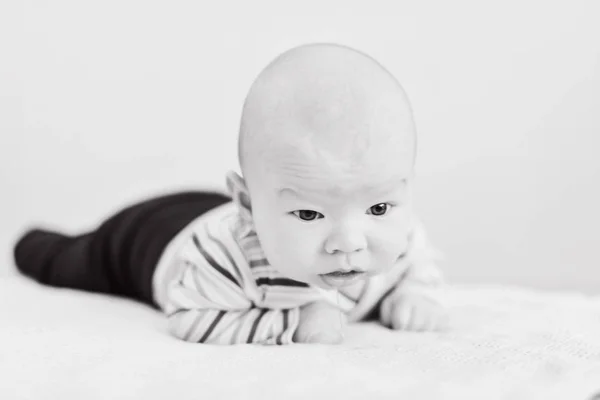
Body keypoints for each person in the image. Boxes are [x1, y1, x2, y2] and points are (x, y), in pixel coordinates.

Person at [14, 43, 448, 345]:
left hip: (221, 209)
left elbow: (417, 263)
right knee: (68, 260)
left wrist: (416, 295)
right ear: (247, 206)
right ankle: (35, 244)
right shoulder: (221, 262)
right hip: (147, 238)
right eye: (310, 215)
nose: (350, 242)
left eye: (377, 207)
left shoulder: (397, 236)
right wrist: (293, 323)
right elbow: (191, 319)